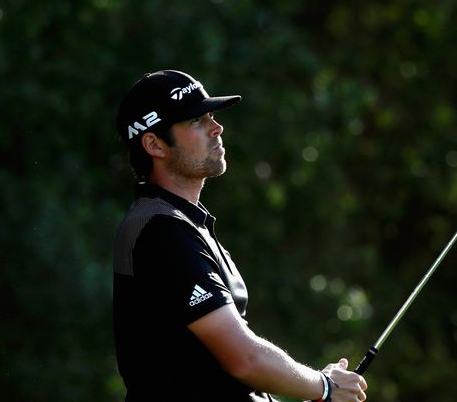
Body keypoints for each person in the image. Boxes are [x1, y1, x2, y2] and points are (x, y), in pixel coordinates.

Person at [112, 70, 368, 401]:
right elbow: (244, 360)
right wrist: (324, 387)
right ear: (154, 144)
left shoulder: (185, 224)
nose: (216, 128)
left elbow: (220, 378)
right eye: (195, 121)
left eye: (211, 116)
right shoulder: (162, 232)